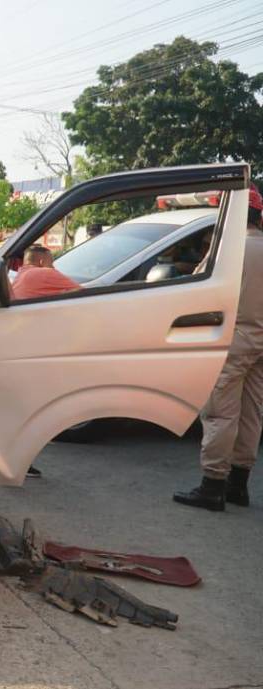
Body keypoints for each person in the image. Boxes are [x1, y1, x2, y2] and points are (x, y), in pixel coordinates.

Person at [174, 185, 263, 511]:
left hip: (233, 341)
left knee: (221, 413)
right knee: (252, 413)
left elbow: (196, 292)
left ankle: (213, 485)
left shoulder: (227, 250)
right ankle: (238, 485)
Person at [11, 245, 81, 300]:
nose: (53, 267)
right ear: (41, 262)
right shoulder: (44, 272)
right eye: (51, 263)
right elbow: (82, 292)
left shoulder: (20, 274)